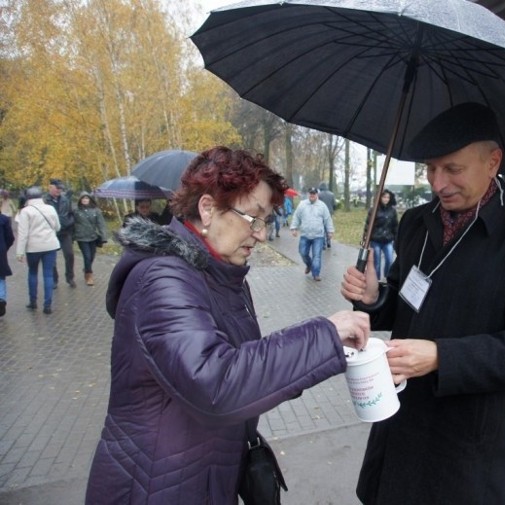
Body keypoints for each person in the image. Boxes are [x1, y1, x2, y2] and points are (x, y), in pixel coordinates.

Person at [85, 146, 370, 504]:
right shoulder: (163, 279)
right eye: (254, 218)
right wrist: (323, 335)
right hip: (155, 485)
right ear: (207, 209)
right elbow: (217, 383)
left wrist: (322, 349)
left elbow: (247, 369)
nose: (263, 234)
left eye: (266, 221)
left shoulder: (220, 273)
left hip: (199, 475)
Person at [340, 102, 505, 504]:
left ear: (492, 162)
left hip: (467, 444)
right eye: (431, 168)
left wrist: (442, 357)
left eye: (453, 169)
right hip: (401, 423)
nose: (438, 183)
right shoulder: (416, 222)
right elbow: (404, 301)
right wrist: (376, 297)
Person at [15, 186, 61, 314]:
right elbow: (57, 227)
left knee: (33, 272)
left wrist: (20, 252)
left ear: (28, 197)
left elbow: (23, 233)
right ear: (41, 196)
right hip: (50, 245)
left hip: (33, 247)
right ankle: (47, 305)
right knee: (48, 274)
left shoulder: (25, 211)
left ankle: (33, 301)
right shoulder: (50, 208)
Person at [290, 187, 334, 281]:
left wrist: (330, 231)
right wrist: (294, 228)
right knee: (303, 253)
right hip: (305, 235)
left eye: (314, 193)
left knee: (317, 256)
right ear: (308, 194)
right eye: (311, 193)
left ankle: (316, 274)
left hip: (318, 236)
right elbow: (296, 216)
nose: (312, 195)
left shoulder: (322, 206)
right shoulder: (302, 204)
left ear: (317, 195)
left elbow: (327, 219)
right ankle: (309, 265)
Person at [43, 178, 76, 288]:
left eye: (60, 188)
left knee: (70, 255)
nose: (59, 190)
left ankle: (69, 277)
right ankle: (54, 279)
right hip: (51, 233)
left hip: (65, 232)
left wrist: (69, 222)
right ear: (50, 187)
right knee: (52, 258)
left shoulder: (66, 199)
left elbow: (71, 213)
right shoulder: (44, 200)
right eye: (56, 188)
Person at [73, 192, 108, 286]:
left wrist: (103, 236)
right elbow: (71, 223)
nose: (85, 200)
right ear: (80, 200)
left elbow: (101, 224)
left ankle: (86, 268)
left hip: (92, 237)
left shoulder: (96, 210)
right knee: (87, 256)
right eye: (83, 198)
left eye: (86, 198)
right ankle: (89, 276)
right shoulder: (76, 211)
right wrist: (72, 236)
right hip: (81, 237)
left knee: (92, 256)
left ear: (90, 199)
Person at [364, 188, 398, 280]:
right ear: (379, 198)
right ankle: (377, 281)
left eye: (388, 197)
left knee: (389, 260)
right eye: (384, 197)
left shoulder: (392, 211)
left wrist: (396, 239)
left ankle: (388, 278)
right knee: (377, 263)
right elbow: (368, 225)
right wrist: (366, 239)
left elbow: (395, 226)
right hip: (376, 240)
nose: (386, 199)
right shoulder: (373, 210)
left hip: (388, 240)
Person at [0, 208, 15, 317]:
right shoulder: (4, 219)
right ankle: (1, 298)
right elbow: (10, 237)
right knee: (0, 276)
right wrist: (5, 247)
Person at [318, 182, 336, 248]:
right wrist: (333, 210)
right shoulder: (332, 194)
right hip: (329, 213)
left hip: (321, 213)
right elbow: (334, 204)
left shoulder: (319, 195)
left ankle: (323, 243)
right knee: (328, 227)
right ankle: (329, 241)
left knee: (322, 228)